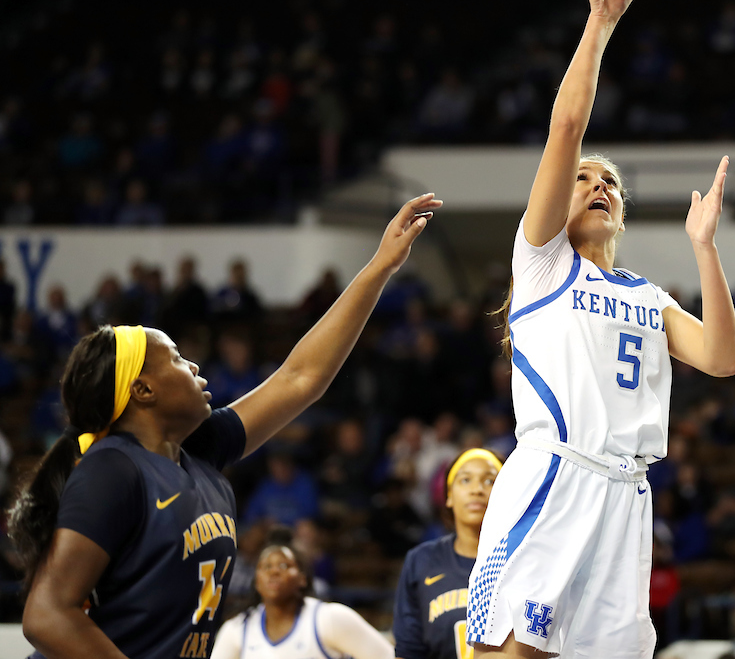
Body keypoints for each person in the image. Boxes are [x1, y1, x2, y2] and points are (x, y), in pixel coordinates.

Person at [11, 192, 440, 659]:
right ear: (143, 390)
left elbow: (300, 378)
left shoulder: (199, 451)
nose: (194, 366)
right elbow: (46, 614)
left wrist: (380, 267)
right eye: (176, 358)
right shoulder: (113, 468)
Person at [466, 0, 735, 659]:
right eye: (585, 179)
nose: (597, 186)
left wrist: (705, 248)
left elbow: (721, 358)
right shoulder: (543, 263)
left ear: (620, 213)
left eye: (610, 183)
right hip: (555, 477)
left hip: (628, 496)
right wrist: (601, 22)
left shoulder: (649, 297)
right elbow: (566, 128)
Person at [209, 527, 392, 659]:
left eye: (284, 565)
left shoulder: (329, 618)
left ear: (302, 578)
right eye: (266, 567)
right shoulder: (238, 628)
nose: (274, 572)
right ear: (257, 581)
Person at [395, 449, 503, 659]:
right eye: (465, 480)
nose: (477, 490)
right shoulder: (421, 561)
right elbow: (408, 650)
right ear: (449, 496)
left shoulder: (524, 560)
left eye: (490, 481)